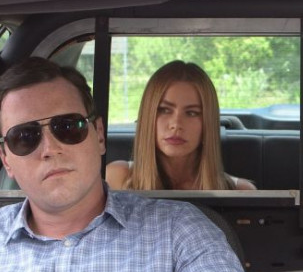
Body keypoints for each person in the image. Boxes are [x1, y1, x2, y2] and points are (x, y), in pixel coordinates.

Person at [0, 57, 245, 272]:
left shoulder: (182, 234)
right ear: (6, 159)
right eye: (25, 137)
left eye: (68, 127)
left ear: (99, 135)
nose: (50, 149)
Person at [106, 61, 255, 191]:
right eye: (164, 110)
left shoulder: (240, 191)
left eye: (192, 113)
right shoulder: (117, 179)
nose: (176, 124)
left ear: (207, 123)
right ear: (148, 116)